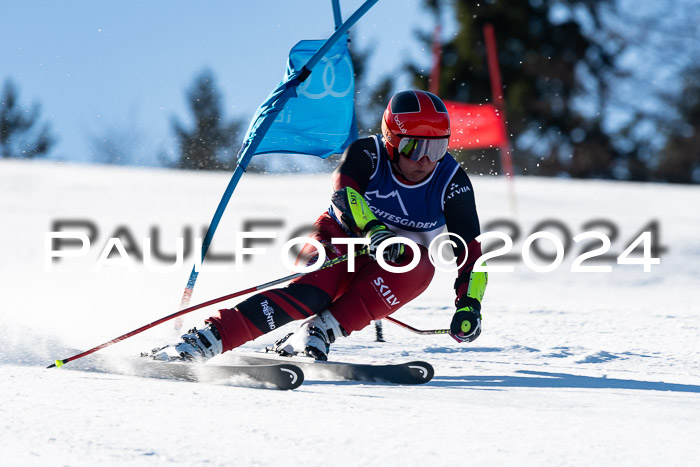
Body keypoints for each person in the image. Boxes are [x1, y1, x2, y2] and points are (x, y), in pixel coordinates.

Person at [150, 90, 488, 362]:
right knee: (311, 294)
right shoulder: (367, 154)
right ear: (392, 140)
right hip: (341, 239)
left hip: (391, 261)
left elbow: (472, 255)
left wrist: (469, 305)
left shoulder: (451, 182)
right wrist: (374, 231)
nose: (427, 160)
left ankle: (319, 332)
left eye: (438, 147)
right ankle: (208, 338)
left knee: (420, 266)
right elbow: (345, 194)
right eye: (415, 147)